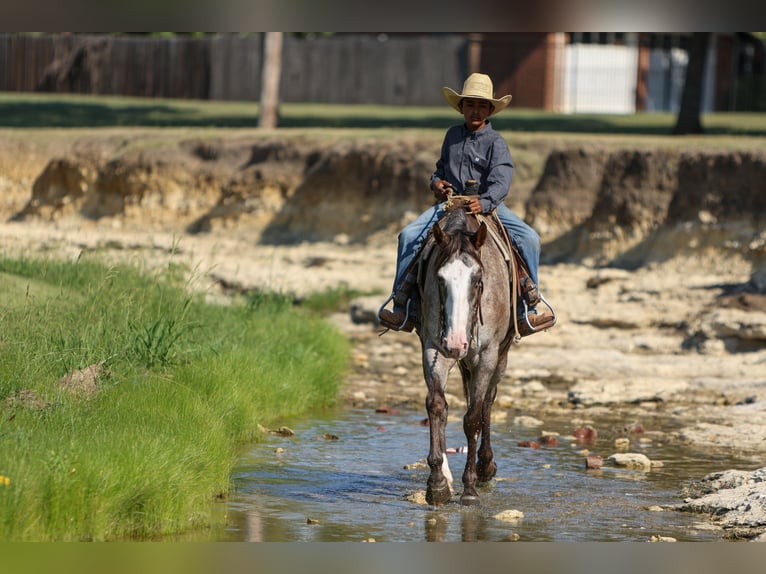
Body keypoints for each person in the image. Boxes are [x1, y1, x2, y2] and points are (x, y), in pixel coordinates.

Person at [378, 72, 555, 337]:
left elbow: (501, 181)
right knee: (409, 235)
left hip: (486, 207)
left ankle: (527, 308)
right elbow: (440, 171)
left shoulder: (496, 143)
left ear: (490, 110)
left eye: (482, 105)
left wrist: (484, 201)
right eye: (470, 104)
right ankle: (403, 304)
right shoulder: (452, 136)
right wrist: (436, 183)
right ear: (461, 107)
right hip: (449, 206)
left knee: (529, 239)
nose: (476, 110)